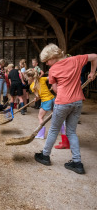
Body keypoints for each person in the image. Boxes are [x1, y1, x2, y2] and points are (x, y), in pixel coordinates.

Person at [34, 43, 97, 174]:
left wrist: (62, 90)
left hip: (62, 102)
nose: (46, 64)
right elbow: (95, 57)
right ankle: (77, 163)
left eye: (47, 61)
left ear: (53, 56)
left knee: (53, 130)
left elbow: (56, 89)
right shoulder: (76, 59)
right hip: (78, 102)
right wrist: (92, 73)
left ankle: (45, 155)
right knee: (71, 132)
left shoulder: (53, 70)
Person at [25, 69, 55, 139]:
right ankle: (64, 132)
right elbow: (51, 77)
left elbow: (38, 96)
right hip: (53, 99)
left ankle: (41, 134)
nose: (26, 79)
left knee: (40, 117)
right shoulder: (42, 79)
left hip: (46, 101)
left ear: (30, 77)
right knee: (57, 116)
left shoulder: (32, 86)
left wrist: (36, 99)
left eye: (26, 78)